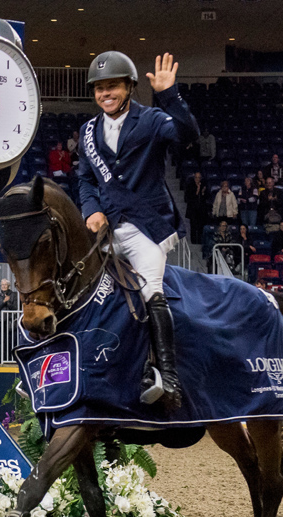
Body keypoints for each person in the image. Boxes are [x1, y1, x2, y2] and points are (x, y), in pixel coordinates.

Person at [77, 51, 199, 408]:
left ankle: (169, 378)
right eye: (99, 89)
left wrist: (169, 94)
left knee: (151, 293)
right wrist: (91, 210)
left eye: (112, 86)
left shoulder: (152, 119)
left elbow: (188, 135)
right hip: (108, 228)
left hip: (147, 227)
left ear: (129, 87)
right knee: (81, 289)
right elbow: (85, 179)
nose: (105, 94)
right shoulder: (87, 132)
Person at [184, 172, 209, 244]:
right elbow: (188, 198)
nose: (197, 179)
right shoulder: (190, 185)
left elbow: (207, 196)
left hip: (201, 209)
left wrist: (203, 193)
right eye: (196, 177)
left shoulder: (203, 185)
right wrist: (197, 191)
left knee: (201, 226)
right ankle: (194, 241)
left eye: (199, 178)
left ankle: (200, 240)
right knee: (193, 226)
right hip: (193, 210)